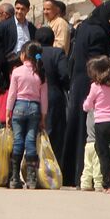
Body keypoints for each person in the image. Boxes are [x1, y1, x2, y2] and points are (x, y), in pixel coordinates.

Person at [61, 0, 110, 186]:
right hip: (92, 83)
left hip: (79, 80)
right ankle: (93, 175)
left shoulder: (85, 26)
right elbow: (97, 62)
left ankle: (72, 173)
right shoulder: (99, 32)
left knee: (77, 125)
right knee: (92, 130)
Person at [5, 42, 47, 189]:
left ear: (24, 55)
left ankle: (14, 177)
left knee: (18, 141)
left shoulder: (17, 71)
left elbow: (12, 95)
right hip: (34, 109)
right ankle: (31, 178)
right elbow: (44, 98)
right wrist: (43, 117)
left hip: (18, 108)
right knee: (30, 142)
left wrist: (8, 112)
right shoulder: (40, 73)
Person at [82, 55, 110, 193]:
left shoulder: (95, 86)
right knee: (107, 147)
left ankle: (107, 183)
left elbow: (88, 103)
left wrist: (86, 107)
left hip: (101, 122)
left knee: (102, 152)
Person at [31, 26, 69, 160]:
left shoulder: (32, 53)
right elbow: (64, 74)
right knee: (54, 134)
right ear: (53, 39)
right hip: (53, 95)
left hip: (33, 96)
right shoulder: (57, 53)